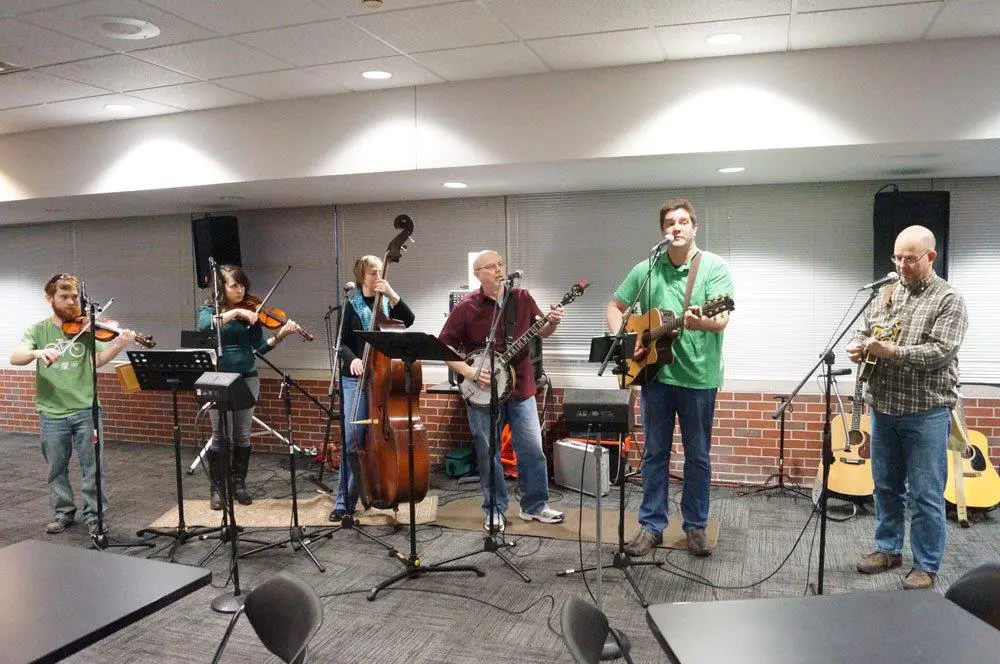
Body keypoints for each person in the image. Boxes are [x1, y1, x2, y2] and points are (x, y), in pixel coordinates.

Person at [606, 198, 733, 558]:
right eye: (669, 223)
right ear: (663, 231)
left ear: (694, 228)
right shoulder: (647, 268)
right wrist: (631, 341)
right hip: (655, 378)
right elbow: (614, 307)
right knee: (654, 453)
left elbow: (722, 318)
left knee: (698, 456)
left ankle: (695, 526)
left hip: (698, 377)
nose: (676, 228)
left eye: (682, 222)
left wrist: (700, 320)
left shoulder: (712, 268)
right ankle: (651, 526)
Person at [848, 225, 968, 590]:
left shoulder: (949, 299)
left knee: (925, 494)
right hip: (883, 408)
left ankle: (926, 565)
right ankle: (888, 549)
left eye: (909, 259)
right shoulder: (886, 293)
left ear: (930, 257)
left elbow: (940, 352)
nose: (901, 265)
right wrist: (859, 345)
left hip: (926, 413)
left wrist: (892, 352)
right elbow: (865, 329)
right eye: (897, 258)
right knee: (885, 487)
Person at [439, 250, 565, 533]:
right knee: (488, 452)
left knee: (532, 449)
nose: (498, 270)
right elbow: (444, 347)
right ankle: (495, 508)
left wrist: (553, 321)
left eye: (501, 264)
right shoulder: (466, 307)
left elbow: (541, 331)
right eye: (491, 266)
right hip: (482, 394)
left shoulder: (521, 298)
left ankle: (534, 505)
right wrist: (470, 372)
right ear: (478, 274)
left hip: (521, 387)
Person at [9, 273, 136, 536]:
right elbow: (15, 357)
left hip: (86, 410)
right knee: (56, 468)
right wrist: (36, 352)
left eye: (74, 297)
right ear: (50, 298)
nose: (70, 303)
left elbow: (96, 361)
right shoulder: (38, 330)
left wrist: (119, 344)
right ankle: (63, 512)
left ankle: (95, 515)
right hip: (52, 413)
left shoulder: (86, 328)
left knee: (93, 467)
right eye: (64, 297)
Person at [197, 264, 300, 509]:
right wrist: (235, 314)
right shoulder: (210, 309)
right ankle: (217, 488)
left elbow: (259, 348)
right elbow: (204, 327)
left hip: (247, 377)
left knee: (242, 434)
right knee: (220, 435)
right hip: (218, 379)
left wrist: (282, 334)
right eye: (234, 285)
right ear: (221, 288)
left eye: (243, 285)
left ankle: (238, 484)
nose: (240, 290)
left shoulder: (252, 312)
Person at [329, 255, 415, 522]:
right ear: (361, 276)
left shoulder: (386, 306)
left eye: (379, 272)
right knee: (353, 440)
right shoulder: (351, 306)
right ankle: (345, 501)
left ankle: (381, 490)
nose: (376, 276)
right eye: (371, 273)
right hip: (356, 379)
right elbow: (341, 344)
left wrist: (391, 293)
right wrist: (352, 359)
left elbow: (409, 319)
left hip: (383, 380)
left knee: (379, 440)